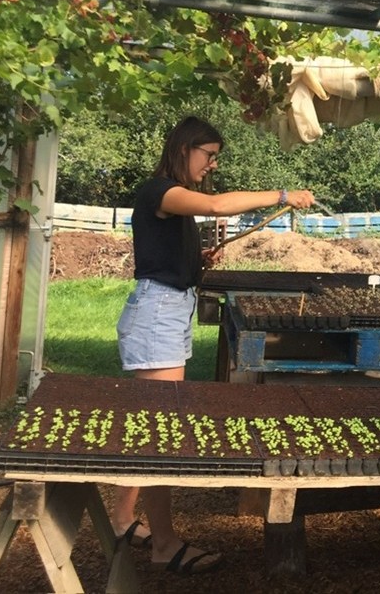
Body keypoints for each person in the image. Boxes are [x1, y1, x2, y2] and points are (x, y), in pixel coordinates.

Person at [112, 115, 314, 574]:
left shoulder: (171, 201)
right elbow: (220, 205)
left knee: (151, 426)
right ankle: (163, 543)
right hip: (157, 316)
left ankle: (124, 517)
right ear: (184, 148)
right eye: (210, 155)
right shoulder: (159, 191)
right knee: (159, 436)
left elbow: (164, 254)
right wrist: (283, 195)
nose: (213, 165)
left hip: (166, 312)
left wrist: (194, 258)